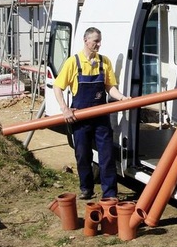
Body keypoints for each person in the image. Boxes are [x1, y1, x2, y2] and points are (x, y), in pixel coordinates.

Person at [53, 27, 130, 200]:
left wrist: (123, 98)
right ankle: (86, 188)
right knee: (82, 155)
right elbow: (57, 87)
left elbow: (110, 87)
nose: (98, 44)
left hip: (101, 117)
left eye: (99, 40)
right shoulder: (73, 62)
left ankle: (110, 194)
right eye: (95, 41)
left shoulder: (104, 62)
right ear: (86, 40)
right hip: (80, 117)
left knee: (107, 155)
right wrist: (65, 109)